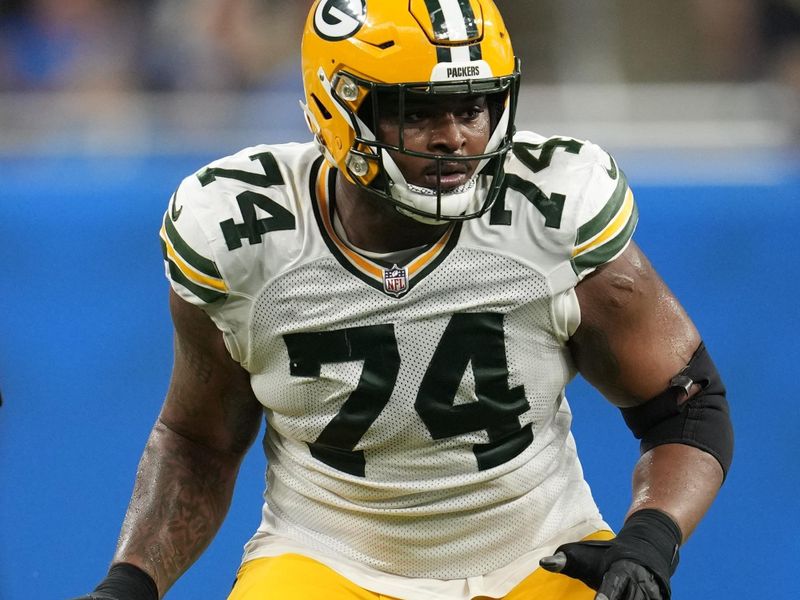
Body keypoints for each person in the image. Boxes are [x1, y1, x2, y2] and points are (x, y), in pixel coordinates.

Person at [74, 1, 733, 599]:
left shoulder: (551, 212)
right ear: (337, 108)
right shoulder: (243, 236)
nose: (454, 137)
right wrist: (131, 582)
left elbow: (686, 404)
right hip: (327, 560)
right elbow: (198, 441)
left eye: (472, 107)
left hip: (540, 554)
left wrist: (651, 537)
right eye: (417, 111)